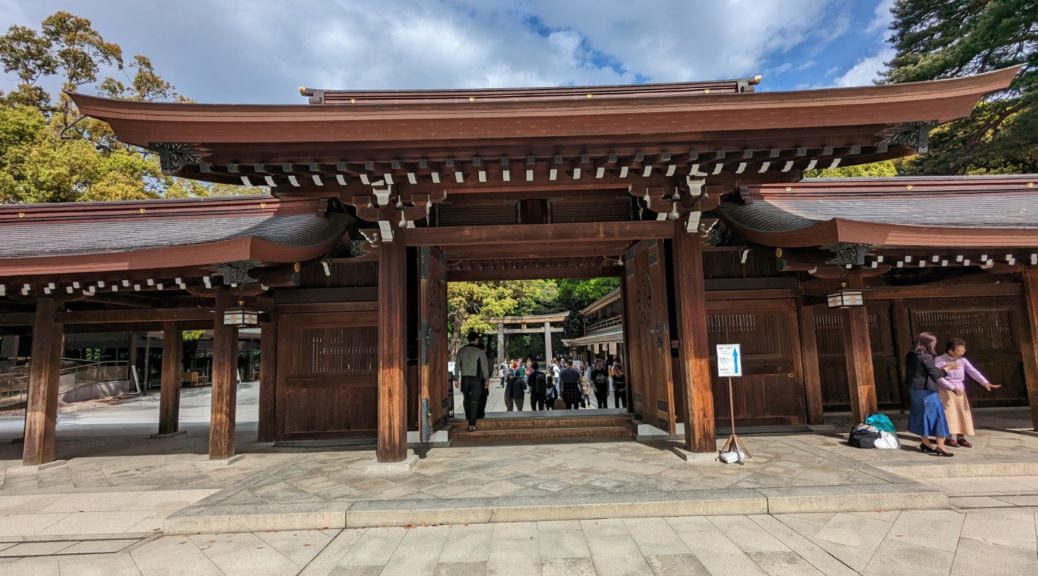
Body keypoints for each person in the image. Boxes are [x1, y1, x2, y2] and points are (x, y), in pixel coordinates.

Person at [935, 337, 1001, 448]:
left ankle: (961, 437)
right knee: (949, 414)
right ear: (950, 351)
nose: (962, 352)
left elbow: (973, 372)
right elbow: (937, 377)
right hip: (946, 389)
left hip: (960, 389)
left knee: (962, 412)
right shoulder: (939, 360)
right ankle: (949, 438)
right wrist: (951, 387)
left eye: (963, 350)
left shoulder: (963, 360)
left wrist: (985, 383)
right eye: (959, 351)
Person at [904, 332, 955, 457]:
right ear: (929, 344)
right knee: (937, 416)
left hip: (914, 389)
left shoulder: (910, 355)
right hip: (926, 390)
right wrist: (946, 369)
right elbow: (935, 374)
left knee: (921, 415)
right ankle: (941, 446)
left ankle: (925, 442)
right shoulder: (926, 357)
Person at [455, 330, 490, 431]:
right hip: (476, 379)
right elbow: (484, 367)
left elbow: (457, 365)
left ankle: (467, 417)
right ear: (476, 339)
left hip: (465, 377)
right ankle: (472, 423)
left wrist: (456, 378)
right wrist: (486, 380)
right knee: (475, 401)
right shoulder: (480, 351)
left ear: (468, 339)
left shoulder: (461, 350)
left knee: (466, 399)